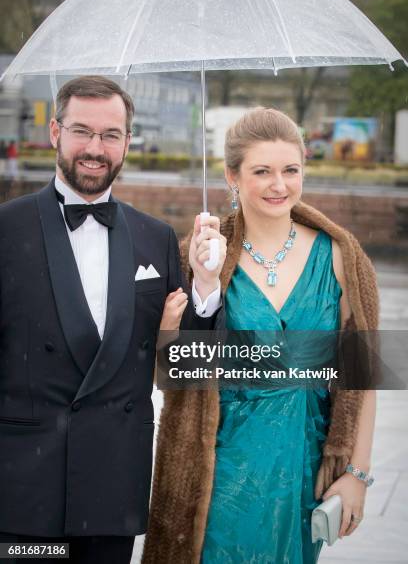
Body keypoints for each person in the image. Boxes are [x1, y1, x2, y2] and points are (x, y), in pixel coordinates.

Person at [0, 76, 226, 564]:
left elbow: (187, 367)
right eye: (83, 131)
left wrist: (206, 284)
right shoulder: (5, 229)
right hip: (21, 489)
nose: (95, 149)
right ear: (55, 132)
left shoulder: (156, 238)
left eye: (110, 135)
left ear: (127, 141)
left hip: (112, 486)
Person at [142, 108, 378, 563]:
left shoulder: (340, 256)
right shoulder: (199, 255)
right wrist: (204, 286)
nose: (279, 185)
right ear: (232, 176)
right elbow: (170, 371)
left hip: (302, 460)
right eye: (262, 171)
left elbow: (362, 372)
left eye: (291, 170)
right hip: (220, 464)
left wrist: (355, 473)